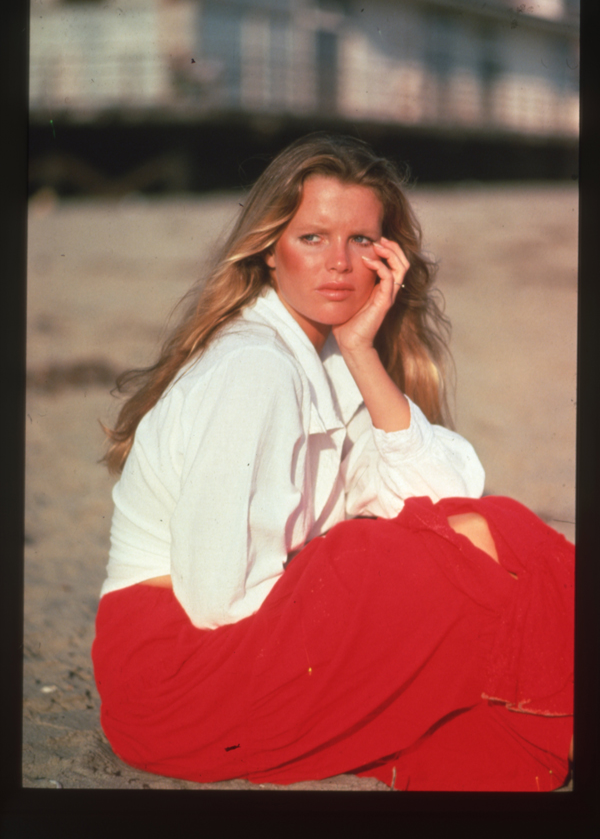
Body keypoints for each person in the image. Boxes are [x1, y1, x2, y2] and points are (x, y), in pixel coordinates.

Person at [92, 134, 574, 791]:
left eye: (361, 242)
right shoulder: (254, 367)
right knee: (405, 563)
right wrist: (360, 605)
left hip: (229, 653)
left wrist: (361, 352)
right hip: (178, 673)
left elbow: (445, 494)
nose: (339, 264)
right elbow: (214, 597)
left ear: (388, 257)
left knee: (488, 533)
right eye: (312, 238)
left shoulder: (325, 361)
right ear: (268, 248)